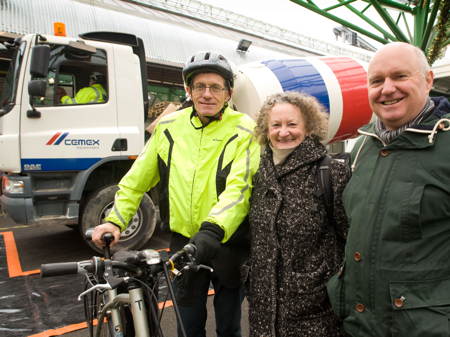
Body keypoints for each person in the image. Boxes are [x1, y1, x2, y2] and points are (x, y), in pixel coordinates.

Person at [91, 51, 260, 337]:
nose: (207, 94)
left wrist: (211, 231)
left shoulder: (246, 129)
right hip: (185, 244)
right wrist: (115, 221)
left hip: (228, 242)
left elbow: (240, 189)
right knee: (187, 325)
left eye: (215, 87)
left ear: (228, 92)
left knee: (229, 327)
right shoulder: (169, 127)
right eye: (199, 86)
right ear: (188, 90)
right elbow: (136, 180)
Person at [326, 42, 450, 337]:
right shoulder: (362, 148)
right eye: (377, 81)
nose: (387, 88)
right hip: (358, 325)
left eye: (400, 76)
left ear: (428, 80)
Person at [248, 91, 351, 337]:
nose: (284, 132)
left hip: (313, 308)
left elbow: (350, 237)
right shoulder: (258, 172)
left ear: (308, 127)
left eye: (292, 124)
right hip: (262, 307)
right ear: (266, 129)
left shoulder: (330, 172)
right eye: (276, 125)